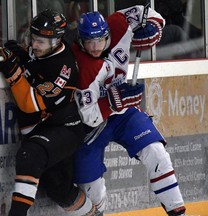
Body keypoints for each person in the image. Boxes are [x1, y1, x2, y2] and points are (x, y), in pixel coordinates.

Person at [71, 6, 187, 216]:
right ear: (81, 41)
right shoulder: (82, 64)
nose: (96, 47)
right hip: (91, 127)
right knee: (90, 189)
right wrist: (116, 100)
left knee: (157, 153)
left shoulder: (118, 23)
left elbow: (147, 12)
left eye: (100, 40)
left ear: (108, 33)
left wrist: (153, 28)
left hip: (124, 114)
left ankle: (178, 213)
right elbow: (88, 115)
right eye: (89, 42)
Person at [0, 9, 97, 216]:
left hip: (64, 129)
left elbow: (30, 103)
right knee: (60, 190)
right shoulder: (44, 49)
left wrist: (13, 72)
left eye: (40, 41)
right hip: (46, 129)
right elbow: (35, 64)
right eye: (33, 39)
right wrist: (21, 55)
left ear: (57, 41)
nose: (35, 45)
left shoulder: (64, 69)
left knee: (29, 155)